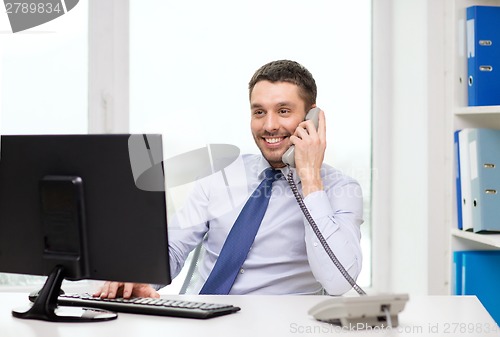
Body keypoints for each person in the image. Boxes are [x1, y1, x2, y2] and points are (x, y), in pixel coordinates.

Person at [95, 59, 363, 299]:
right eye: (259, 112)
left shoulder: (341, 189)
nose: (269, 125)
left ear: (311, 118)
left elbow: (340, 281)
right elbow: (173, 246)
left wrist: (310, 179)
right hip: (206, 322)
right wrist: (138, 275)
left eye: (283, 111)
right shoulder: (219, 175)